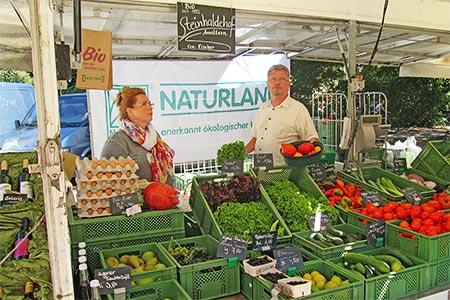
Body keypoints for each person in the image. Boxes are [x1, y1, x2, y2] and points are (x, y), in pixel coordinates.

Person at [245, 64, 320, 166]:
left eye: (282, 79)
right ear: (268, 84)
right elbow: (256, 138)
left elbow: (312, 139)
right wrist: (240, 153)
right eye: (273, 79)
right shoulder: (263, 109)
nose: (277, 83)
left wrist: (313, 145)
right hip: (260, 170)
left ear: (289, 84)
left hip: (285, 173)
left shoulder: (298, 109)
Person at [101, 87, 175, 185]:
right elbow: (111, 184)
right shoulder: (117, 142)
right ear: (130, 111)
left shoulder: (154, 135)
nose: (150, 107)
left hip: (161, 197)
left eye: (150, 103)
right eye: (144, 104)